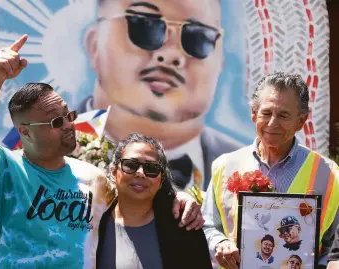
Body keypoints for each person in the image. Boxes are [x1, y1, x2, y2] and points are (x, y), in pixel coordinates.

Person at [0, 35, 205, 269]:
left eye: (68, 115)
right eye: (55, 122)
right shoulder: (4, 170)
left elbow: (139, 194)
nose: (68, 125)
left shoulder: (94, 178)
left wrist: (179, 198)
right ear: (25, 132)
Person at [80, 0, 242, 190]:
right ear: (94, 44)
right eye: (145, 25)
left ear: (220, 63)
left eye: (198, 37)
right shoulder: (46, 148)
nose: (171, 53)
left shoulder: (247, 168)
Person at [201, 72, 339, 269]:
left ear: (301, 121)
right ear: (253, 114)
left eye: (283, 115)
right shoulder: (225, 166)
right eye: (266, 113)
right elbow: (208, 224)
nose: (272, 123)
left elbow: (332, 245)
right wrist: (219, 243)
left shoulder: (329, 174)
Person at [96, 133, 212, 269]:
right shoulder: (92, 222)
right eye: (130, 165)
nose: (140, 173)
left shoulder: (184, 227)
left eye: (151, 168)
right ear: (113, 171)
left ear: (161, 179)